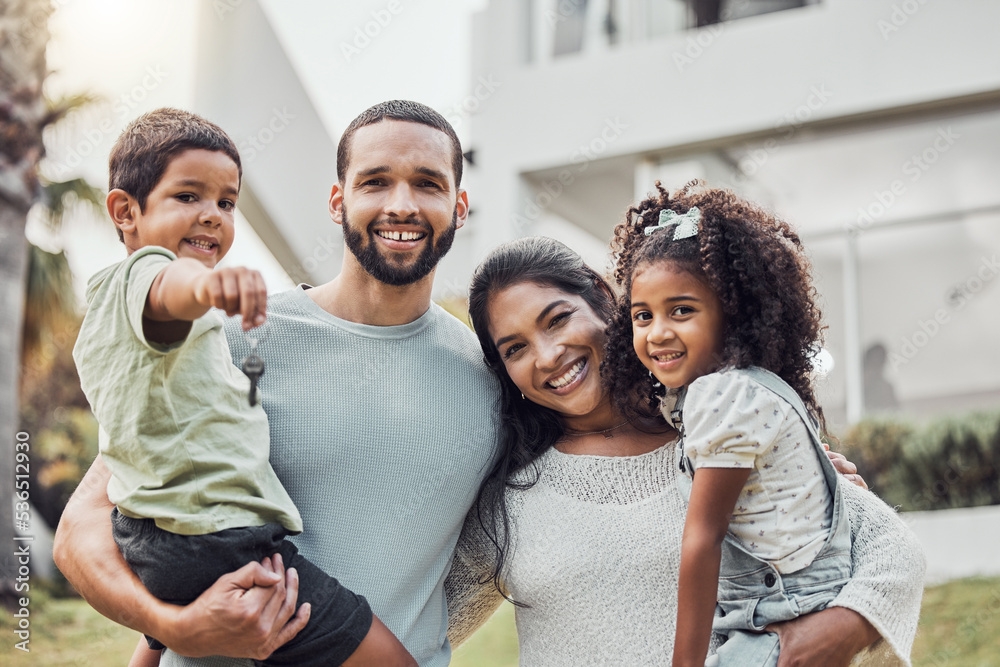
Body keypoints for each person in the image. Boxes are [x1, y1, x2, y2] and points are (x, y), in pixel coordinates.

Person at [54, 100, 501, 667]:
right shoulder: (228, 339)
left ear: (459, 206)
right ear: (339, 201)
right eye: (375, 182)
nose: (402, 205)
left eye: (428, 184)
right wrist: (174, 629)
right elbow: (89, 530)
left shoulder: (492, 387)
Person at [445, 230, 925, 666]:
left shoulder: (727, 431)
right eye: (515, 349)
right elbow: (422, 628)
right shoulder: (509, 501)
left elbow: (891, 551)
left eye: (557, 320)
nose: (547, 356)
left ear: (602, 302)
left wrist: (838, 630)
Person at [606, 182, 855, 666]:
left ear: (732, 314)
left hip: (787, 612)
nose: (657, 332)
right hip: (786, 602)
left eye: (682, 310)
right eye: (642, 315)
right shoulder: (747, 388)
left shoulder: (723, 395)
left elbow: (703, 539)